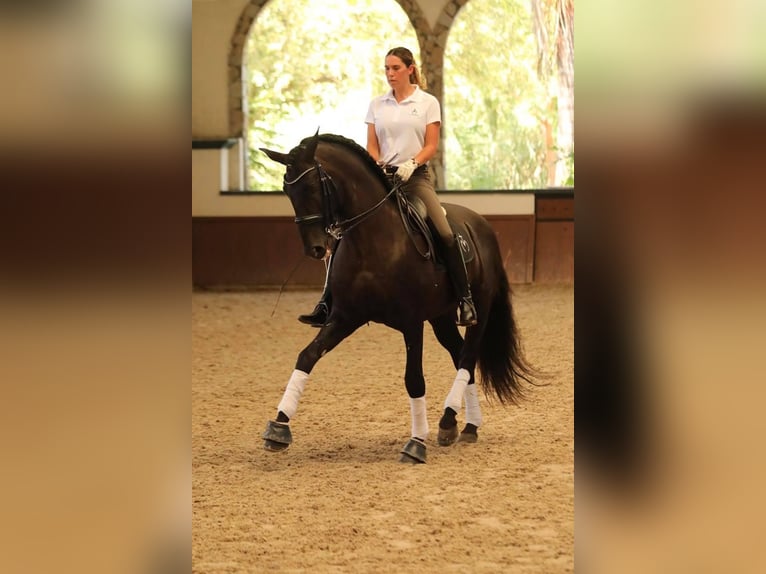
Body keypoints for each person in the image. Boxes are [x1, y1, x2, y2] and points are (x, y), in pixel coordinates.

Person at [299, 46, 477, 327]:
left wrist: (412, 163)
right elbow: (371, 144)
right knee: (343, 232)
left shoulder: (427, 102)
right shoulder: (377, 104)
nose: (390, 74)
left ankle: (465, 300)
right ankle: (325, 302)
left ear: (410, 69)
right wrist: (376, 162)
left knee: (444, 231)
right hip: (382, 179)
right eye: (386, 69)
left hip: (415, 179)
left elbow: (431, 145)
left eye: (395, 68)